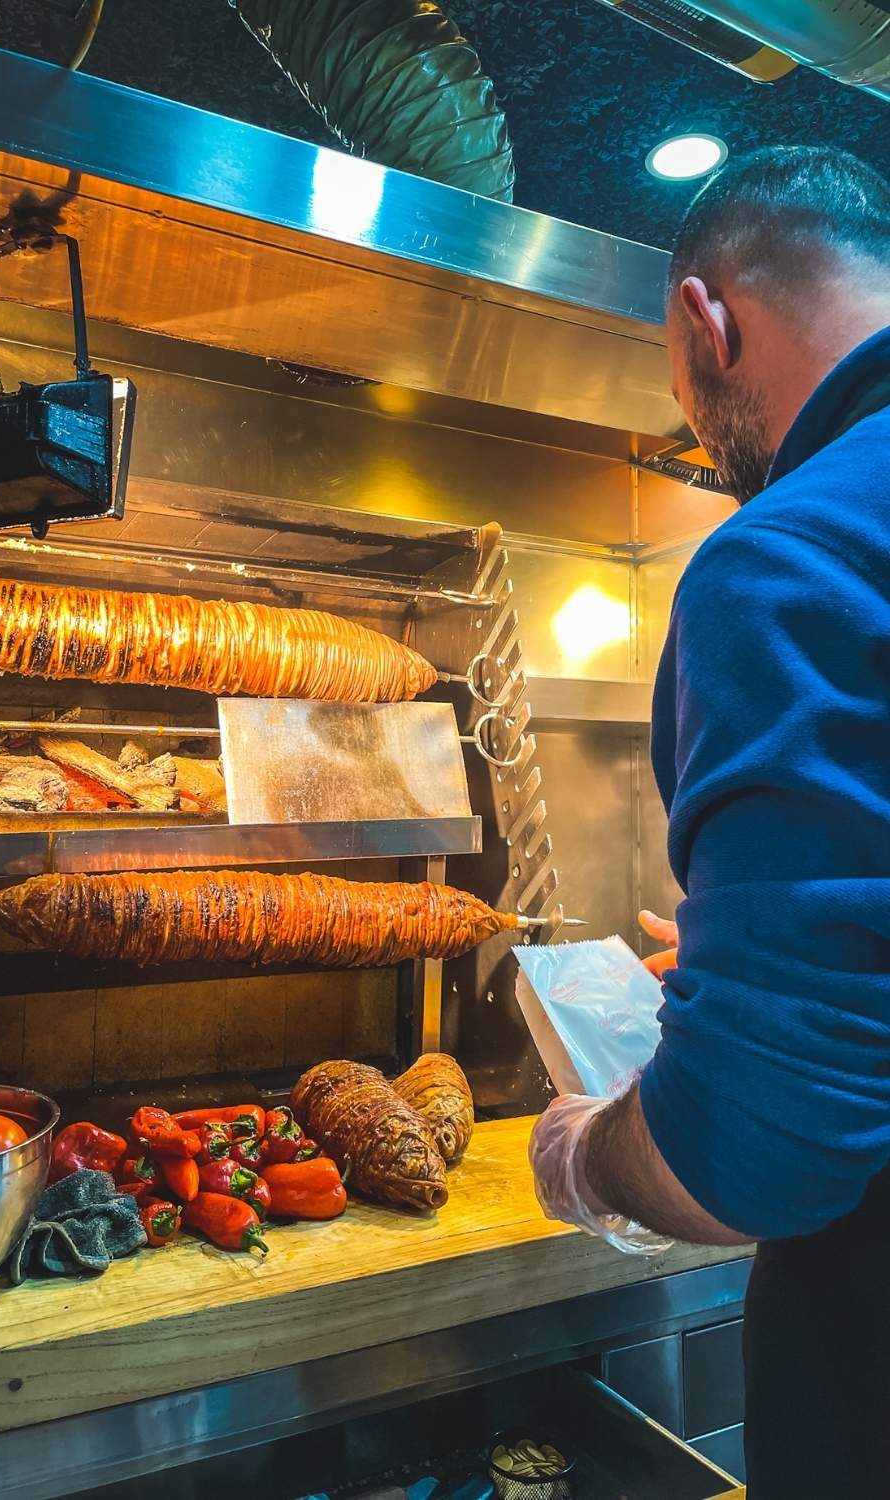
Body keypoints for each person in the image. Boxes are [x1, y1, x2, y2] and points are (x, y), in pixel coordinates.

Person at [529, 145, 890, 1499]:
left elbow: (759, 1151)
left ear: (706, 320)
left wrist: (596, 1150)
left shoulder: (796, 555)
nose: (698, 437)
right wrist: (774, 966)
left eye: (683, 401)